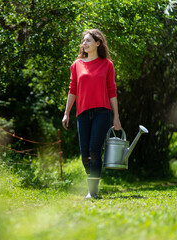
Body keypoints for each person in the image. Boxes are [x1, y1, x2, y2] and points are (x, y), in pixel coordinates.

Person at [62, 29, 121, 200]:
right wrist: (66, 113)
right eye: (83, 41)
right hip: (82, 113)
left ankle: (92, 191)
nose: (84, 43)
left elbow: (112, 90)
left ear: (98, 43)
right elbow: (72, 89)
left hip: (102, 113)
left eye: (88, 40)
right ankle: (92, 179)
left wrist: (116, 116)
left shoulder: (107, 65)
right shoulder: (77, 65)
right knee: (84, 155)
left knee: (95, 151)